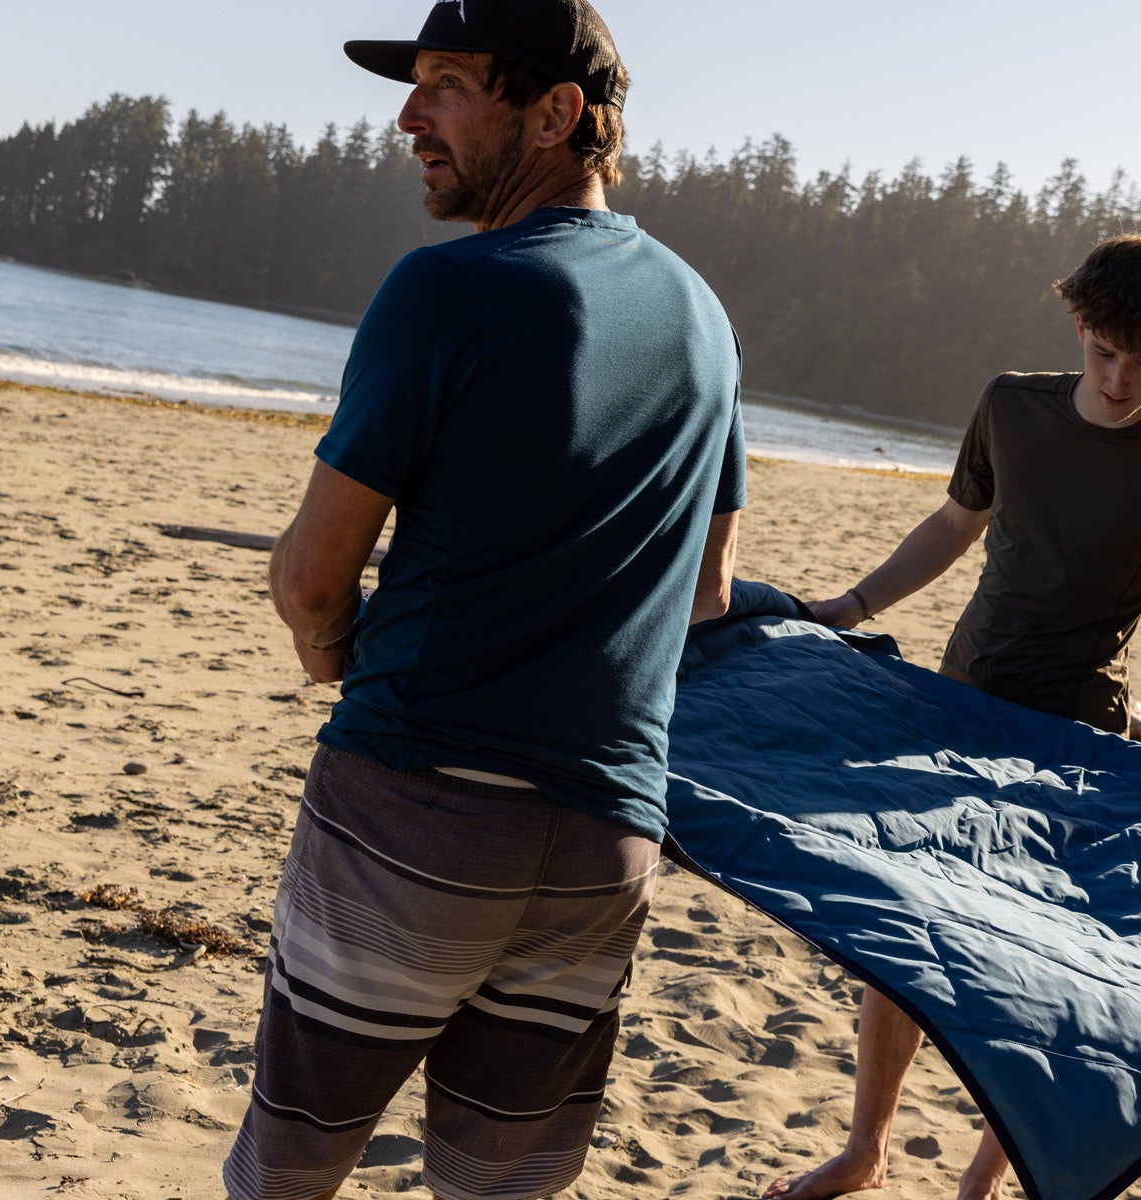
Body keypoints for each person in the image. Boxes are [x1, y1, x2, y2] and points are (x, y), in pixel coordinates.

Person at [221, 2, 745, 1198]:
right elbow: (707, 593)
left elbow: (312, 577)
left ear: (557, 114)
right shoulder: (705, 322)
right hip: (606, 841)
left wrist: (327, 646)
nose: (410, 117)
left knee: (287, 1173)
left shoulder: (449, 289)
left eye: (449, 84)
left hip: (417, 809)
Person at [767, 233, 1141, 1200]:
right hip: (959, 704)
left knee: (1034, 968)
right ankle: (866, 1151)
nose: (1119, 381)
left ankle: (983, 1183)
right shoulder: (1010, 406)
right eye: (1105, 353)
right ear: (1078, 325)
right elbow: (954, 525)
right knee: (901, 928)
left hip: (1074, 744)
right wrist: (850, 607)